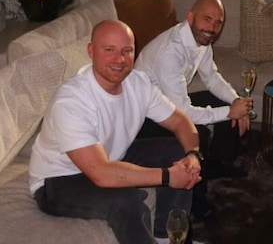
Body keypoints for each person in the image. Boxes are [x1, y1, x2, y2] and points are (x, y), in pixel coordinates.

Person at [28, 20, 203, 244]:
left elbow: (180, 121)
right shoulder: (71, 101)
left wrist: (193, 156)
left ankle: (167, 237)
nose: (120, 59)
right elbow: (102, 173)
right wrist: (169, 176)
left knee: (178, 151)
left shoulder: (138, 83)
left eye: (126, 51)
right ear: (91, 51)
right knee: (126, 200)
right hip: (60, 179)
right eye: (109, 50)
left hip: (108, 156)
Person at [135, 0, 253, 221]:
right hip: (145, 118)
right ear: (190, 17)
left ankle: (217, 163)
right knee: (197, 133)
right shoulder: (170, 52)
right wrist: (230, 113)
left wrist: (235, 101)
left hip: (168, 104)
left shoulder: (201, 41)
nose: (212, 28)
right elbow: (184, 113)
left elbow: (212, 78)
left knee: (222, 101)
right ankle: (197, 202)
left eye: (218, 23)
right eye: (207, 19)